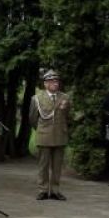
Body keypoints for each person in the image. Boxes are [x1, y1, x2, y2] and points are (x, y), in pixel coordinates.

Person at [29, 69, 71, 200]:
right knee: (43, 165)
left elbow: (69, 117)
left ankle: (55, 190)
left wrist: (66, 108)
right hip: (44, 135)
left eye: (57, 81)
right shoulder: (37, 98)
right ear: (45, 83)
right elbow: (32, 118)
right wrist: (41, 129)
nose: (56, 84)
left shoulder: (65, 98)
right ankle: (43, 190)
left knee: (57, 165)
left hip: (60, 135)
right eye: (52, 81)